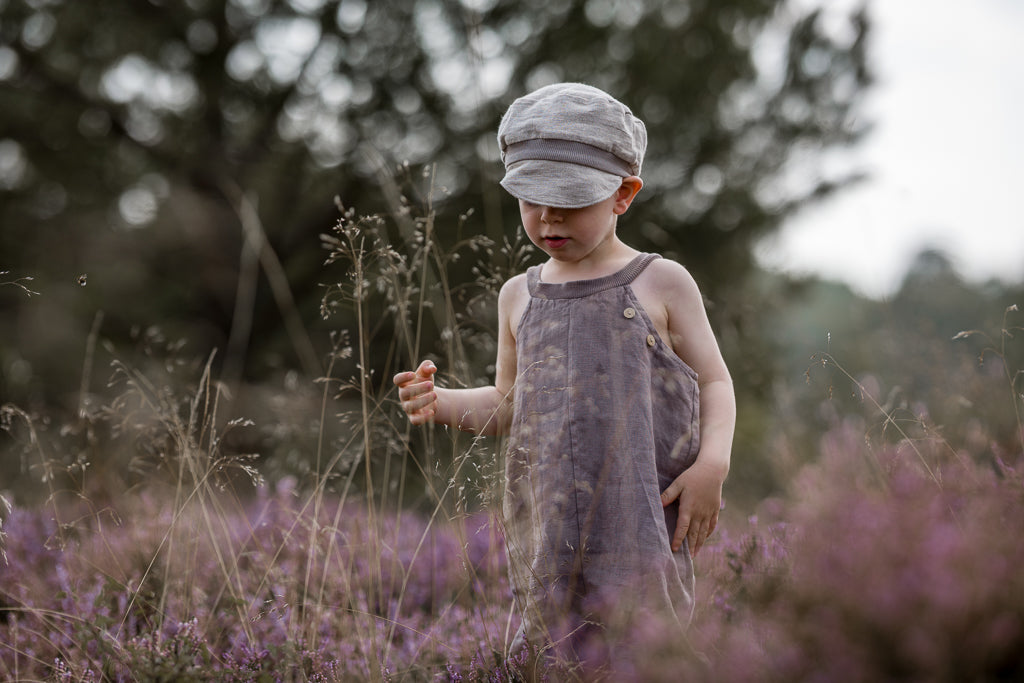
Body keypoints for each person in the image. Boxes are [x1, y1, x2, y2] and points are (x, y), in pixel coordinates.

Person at [393, 83, 735, 666]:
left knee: (648, 645)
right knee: (551, 651)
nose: (548, 215)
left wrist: (713, 466)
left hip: (641, 516)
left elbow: (715, 382)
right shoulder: (518, 296)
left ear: (623, 195)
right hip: (549, 525)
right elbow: (508, 404)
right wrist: (442, 401)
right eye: (532, 198)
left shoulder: (661, 282)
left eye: (569, 200)